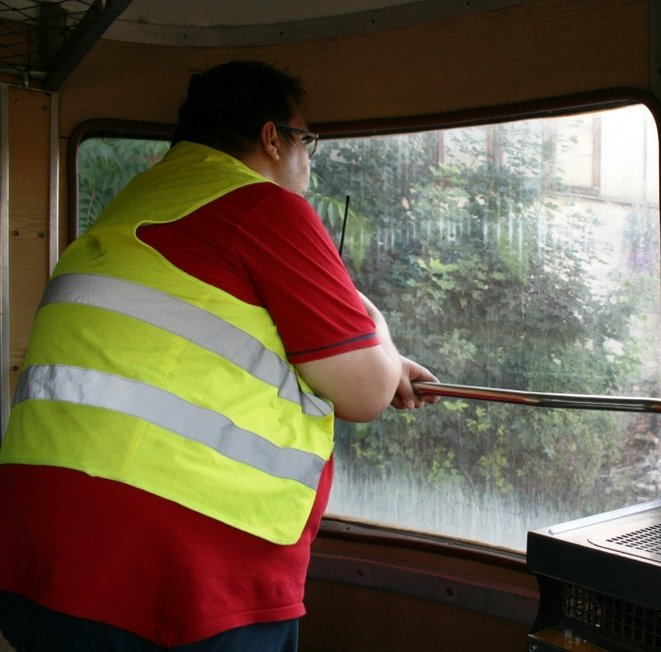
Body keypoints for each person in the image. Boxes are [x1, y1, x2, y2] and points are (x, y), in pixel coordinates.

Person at [0, 60, 438, 651]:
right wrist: (378, 330)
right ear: (272, 136)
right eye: (306, 140)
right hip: (177, 573)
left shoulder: (136, 202)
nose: (308, 159)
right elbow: (363, 392)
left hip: (35, 553)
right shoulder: (263, 207)